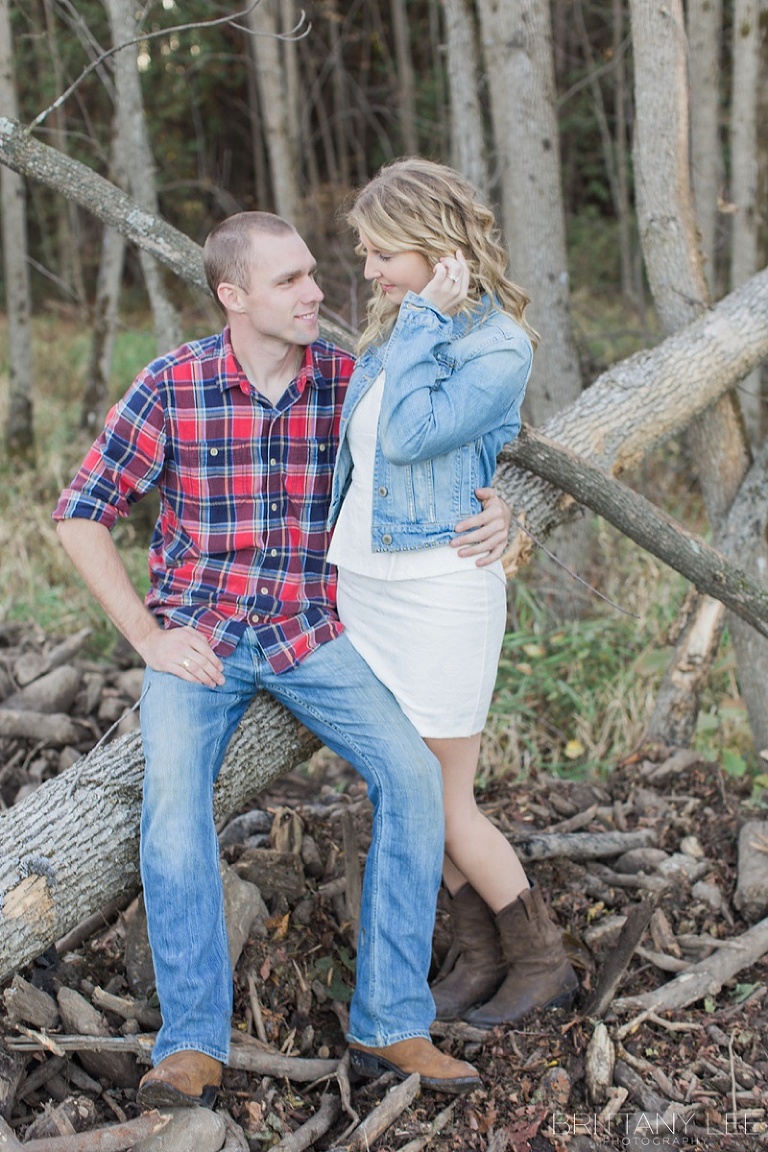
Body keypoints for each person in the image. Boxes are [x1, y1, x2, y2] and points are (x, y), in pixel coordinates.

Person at [53, 211, 512, 1105]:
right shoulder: (174, 384)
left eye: (314, 274)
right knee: (175, 807)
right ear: (234, 296)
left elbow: (443, 455)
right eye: (291, 281)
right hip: (203, 638)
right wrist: (148, 637)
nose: (317, 292)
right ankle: (191, 1043)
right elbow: (81, 514)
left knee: (414, 778)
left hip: (314, 632)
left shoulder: (348, 379)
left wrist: (506, 516)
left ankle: (392, 1023)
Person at [328, 158, 578, 1031]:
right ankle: (476, 956)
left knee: (443, 801)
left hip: (437, 591)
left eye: (378, 254)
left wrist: (426, 316)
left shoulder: (496, 342)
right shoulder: (398, 327)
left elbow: (407, 435)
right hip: (362, 589)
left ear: (431, 246)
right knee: (403, 787)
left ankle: (541, 961)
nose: (366, 274)